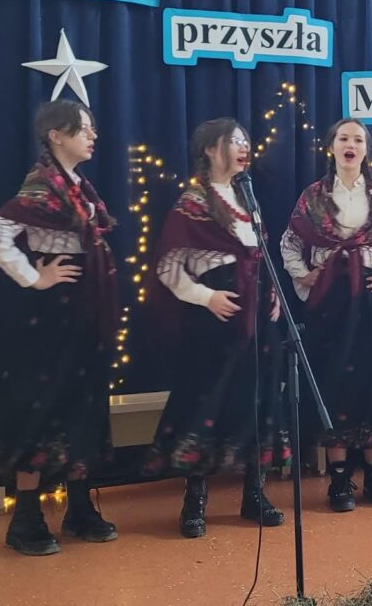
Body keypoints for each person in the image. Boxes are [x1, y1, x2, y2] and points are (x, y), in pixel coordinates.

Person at [0, 99, 118, 555]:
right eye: (84, 129)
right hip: (52, 317)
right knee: (39, 408)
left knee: (82, 405)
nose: (92, 136)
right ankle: (26, 518)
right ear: (56, 134)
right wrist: (36, 277)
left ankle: (79, 508)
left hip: (84, 313)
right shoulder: (42, 187)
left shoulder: (79, 187)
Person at [143, 118, 288, 538]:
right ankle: (195, 498)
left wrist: (273, 294)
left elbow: (260, 257)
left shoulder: (248, 198)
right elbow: (168, 267)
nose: (244, 148)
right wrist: (206, 297)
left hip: (257, 317)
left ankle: (254, 493)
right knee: (206, 402)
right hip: (216, 319)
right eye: (234, 141)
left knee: (258, 400)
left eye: (245, 141)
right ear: (209, 149)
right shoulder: (193, 202)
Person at [282, 118, 372, 512]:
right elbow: (290, 242)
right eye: (343, 138)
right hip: (330, 300)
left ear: (366, 149)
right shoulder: (314, 195)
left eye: (358, 139)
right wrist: (303, 275)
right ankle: (339, 476)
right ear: (332, 146)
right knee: (334, 381)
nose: (350, 144)